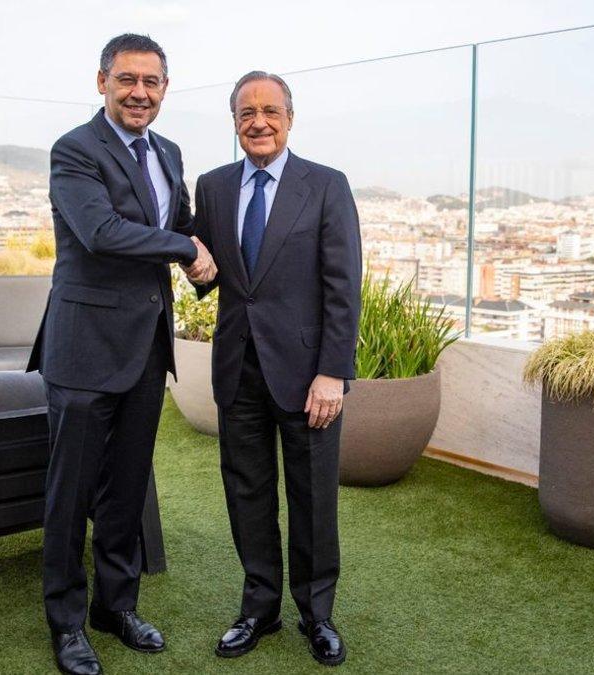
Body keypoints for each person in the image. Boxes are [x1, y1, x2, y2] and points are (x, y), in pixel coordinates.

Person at [27, 33, 215, 675]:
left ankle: (116, 605)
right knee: (69, 493)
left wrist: (205, 258)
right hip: (82, 350)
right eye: (128, 80)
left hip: (144, 348)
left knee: (125, 489)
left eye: (152, 82)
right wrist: (185, 249)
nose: (140, 93)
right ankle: (66, 623)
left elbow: (181, 224)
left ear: (165, 88)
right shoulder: (74, 150)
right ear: (102, 80)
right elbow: (101, 233)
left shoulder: (168, 152)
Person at [188, 70, 362, 667]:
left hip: (309, 375)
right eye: (245, 113)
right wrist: (195, 270)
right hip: (238, 369)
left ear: (290, 117)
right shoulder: (211, 187)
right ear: (234, 121)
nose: (258, 122)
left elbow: (344, 286)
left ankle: (318, 615)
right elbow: (212, 273)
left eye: (269, 111)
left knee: (313, 498)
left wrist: (333, 371)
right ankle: (259, 609)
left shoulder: (327, 185)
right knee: (248, 492)